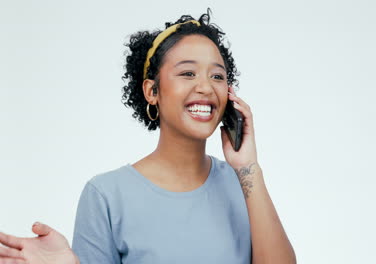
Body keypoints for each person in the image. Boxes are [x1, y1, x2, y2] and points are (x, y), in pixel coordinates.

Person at [0, 9, 296, 264]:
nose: (206, 87)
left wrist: (247, 167)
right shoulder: (107, 195)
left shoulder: (243, 184)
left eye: (217, 76)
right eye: (188, 73)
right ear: (152, 91)